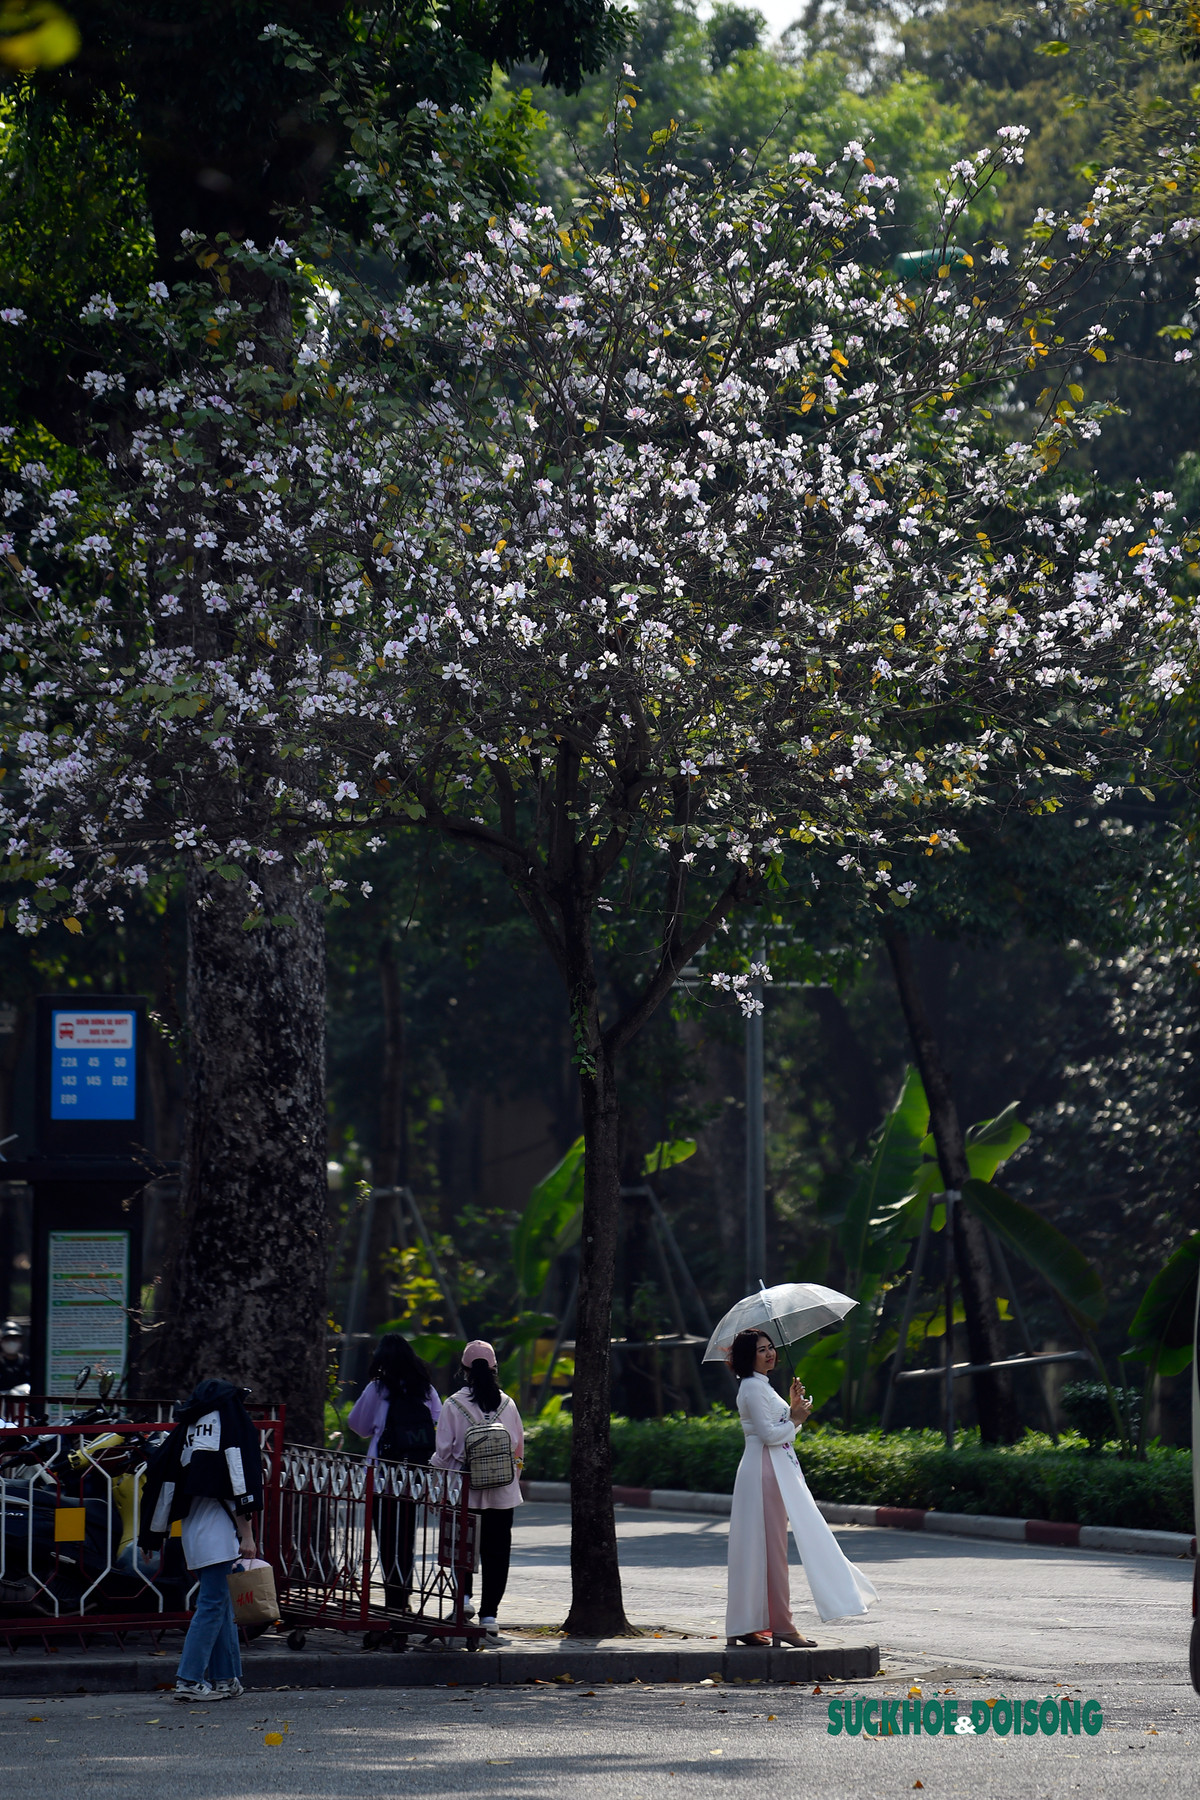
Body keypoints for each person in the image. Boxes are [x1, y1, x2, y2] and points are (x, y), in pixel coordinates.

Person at [725, 1328, 877, 1647]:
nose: (769, 1353)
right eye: (761, 1349)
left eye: (770, 1347)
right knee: (771, 1552)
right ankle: (782, 1625)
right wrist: (794, 1419)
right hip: (764, 1472)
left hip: (771, 1469)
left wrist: (794, 1410)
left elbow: (780, 1428)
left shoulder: (760, 1386)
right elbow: (769, 1435)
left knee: (760, 1551)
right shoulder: (752, 1388)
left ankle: (747, 1624)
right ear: (746, 1356)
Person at [139, 1378, 263, 1702]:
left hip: (193, 1532)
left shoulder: (188, 1432)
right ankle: (189, 1679)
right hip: (220, 1533)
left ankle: (227, 1678)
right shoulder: (231, 1427)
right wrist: (248, 1536)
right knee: (212, 1605)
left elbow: (161, 1482)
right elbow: (239, 1488)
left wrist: (152, 1536)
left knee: (220, 1604)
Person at [429, 1339, 523, 1647]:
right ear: (494, 1368)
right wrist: (508, 1479)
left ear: (464, 1370)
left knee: (462, 1548)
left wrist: (438, 1484)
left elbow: (443, 1452)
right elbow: (518, 1450)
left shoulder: (453, 1405)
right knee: (497, 1553)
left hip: (463, 1490)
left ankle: (464, 1599)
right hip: (502, 1492)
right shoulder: (508, 1404)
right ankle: (489, 1617)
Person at [348, 1334, 441, 1615]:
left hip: (382, 1476)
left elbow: (358, 1425)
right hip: (413, 1474)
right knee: (406, 1538)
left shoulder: (377, 1389)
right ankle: (405, 1597)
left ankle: (393, 1599)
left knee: (386, 1537)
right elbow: (437, 1420)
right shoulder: (425, 1389)